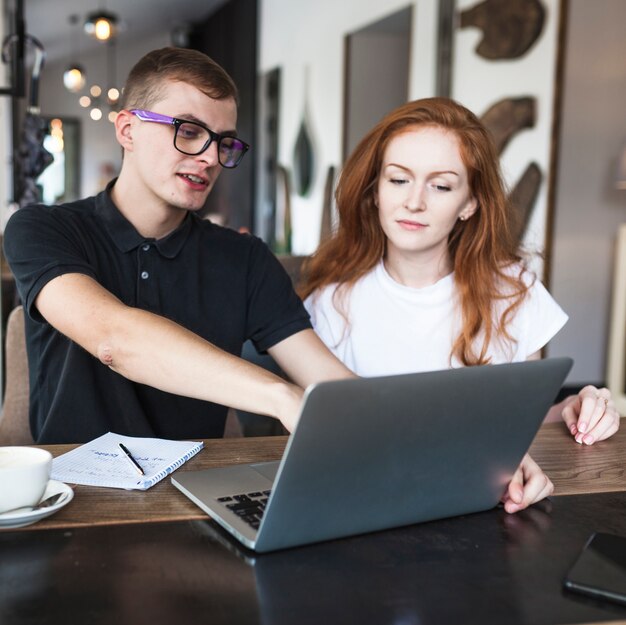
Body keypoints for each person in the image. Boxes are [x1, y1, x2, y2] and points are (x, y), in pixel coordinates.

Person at [4, 47, 353, 444]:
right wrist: (280, 396)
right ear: (127, 130)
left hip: (198, 491)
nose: (210, 158)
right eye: (188, 131)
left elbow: (329, 383)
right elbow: (113, 339)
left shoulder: (244, 258)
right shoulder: (44, 229)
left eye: (224, 143)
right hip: (79, 494)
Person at [301, 97, 620, 513]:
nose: (414, 202)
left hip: (486, 512)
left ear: (470, 202)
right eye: (398, 180)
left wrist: (575, 411)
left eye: (441, 185)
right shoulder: (330, 302)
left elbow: (522, 423)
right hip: (366, 510)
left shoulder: (514, 292)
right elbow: (316, 443)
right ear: (375, 191)